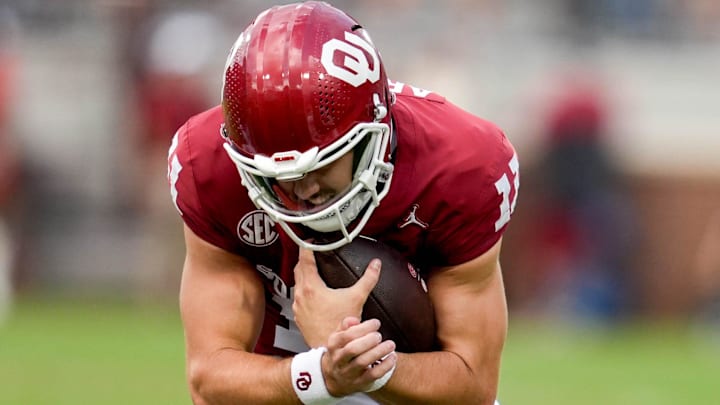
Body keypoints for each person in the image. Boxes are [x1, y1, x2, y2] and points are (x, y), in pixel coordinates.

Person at [167, 2, 518, 404]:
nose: (302, 189)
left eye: (323, 163)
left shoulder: (461, 166)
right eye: (278, 175)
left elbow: (474, 384)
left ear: (373, 133)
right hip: (276, 384)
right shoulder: (210, 164)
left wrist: (363, 363)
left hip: (411, 384)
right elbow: (208, 378)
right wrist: (320, 373)